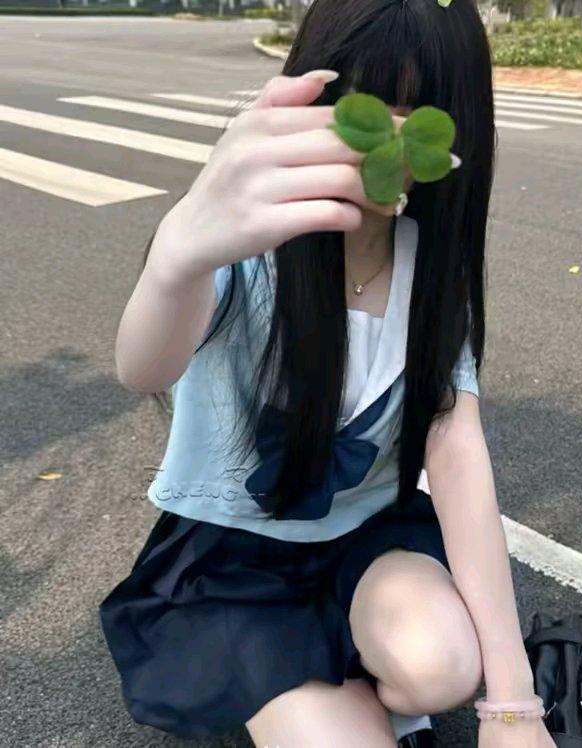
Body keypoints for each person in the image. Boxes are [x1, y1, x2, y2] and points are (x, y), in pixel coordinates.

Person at [99, 1, 556, 746]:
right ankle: (307, 689)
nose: (387, 134)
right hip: (236, 566)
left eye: (418, 111)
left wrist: (513, 706)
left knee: (442, 670)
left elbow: (459, 459)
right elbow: (143, 367)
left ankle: (348, 679)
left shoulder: (429, 271)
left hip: (368, 542)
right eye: (360, 106)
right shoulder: (244, 243)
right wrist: (177, 254)